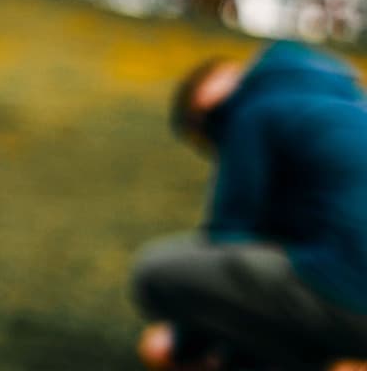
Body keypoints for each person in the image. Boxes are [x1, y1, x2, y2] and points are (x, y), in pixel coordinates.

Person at [134, 42, 367, 371]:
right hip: (344, 292)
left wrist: (183, 345)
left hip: (353, 301)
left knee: (157, 273)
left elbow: (230, 237)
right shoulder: (348, 102)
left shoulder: (250, 109)